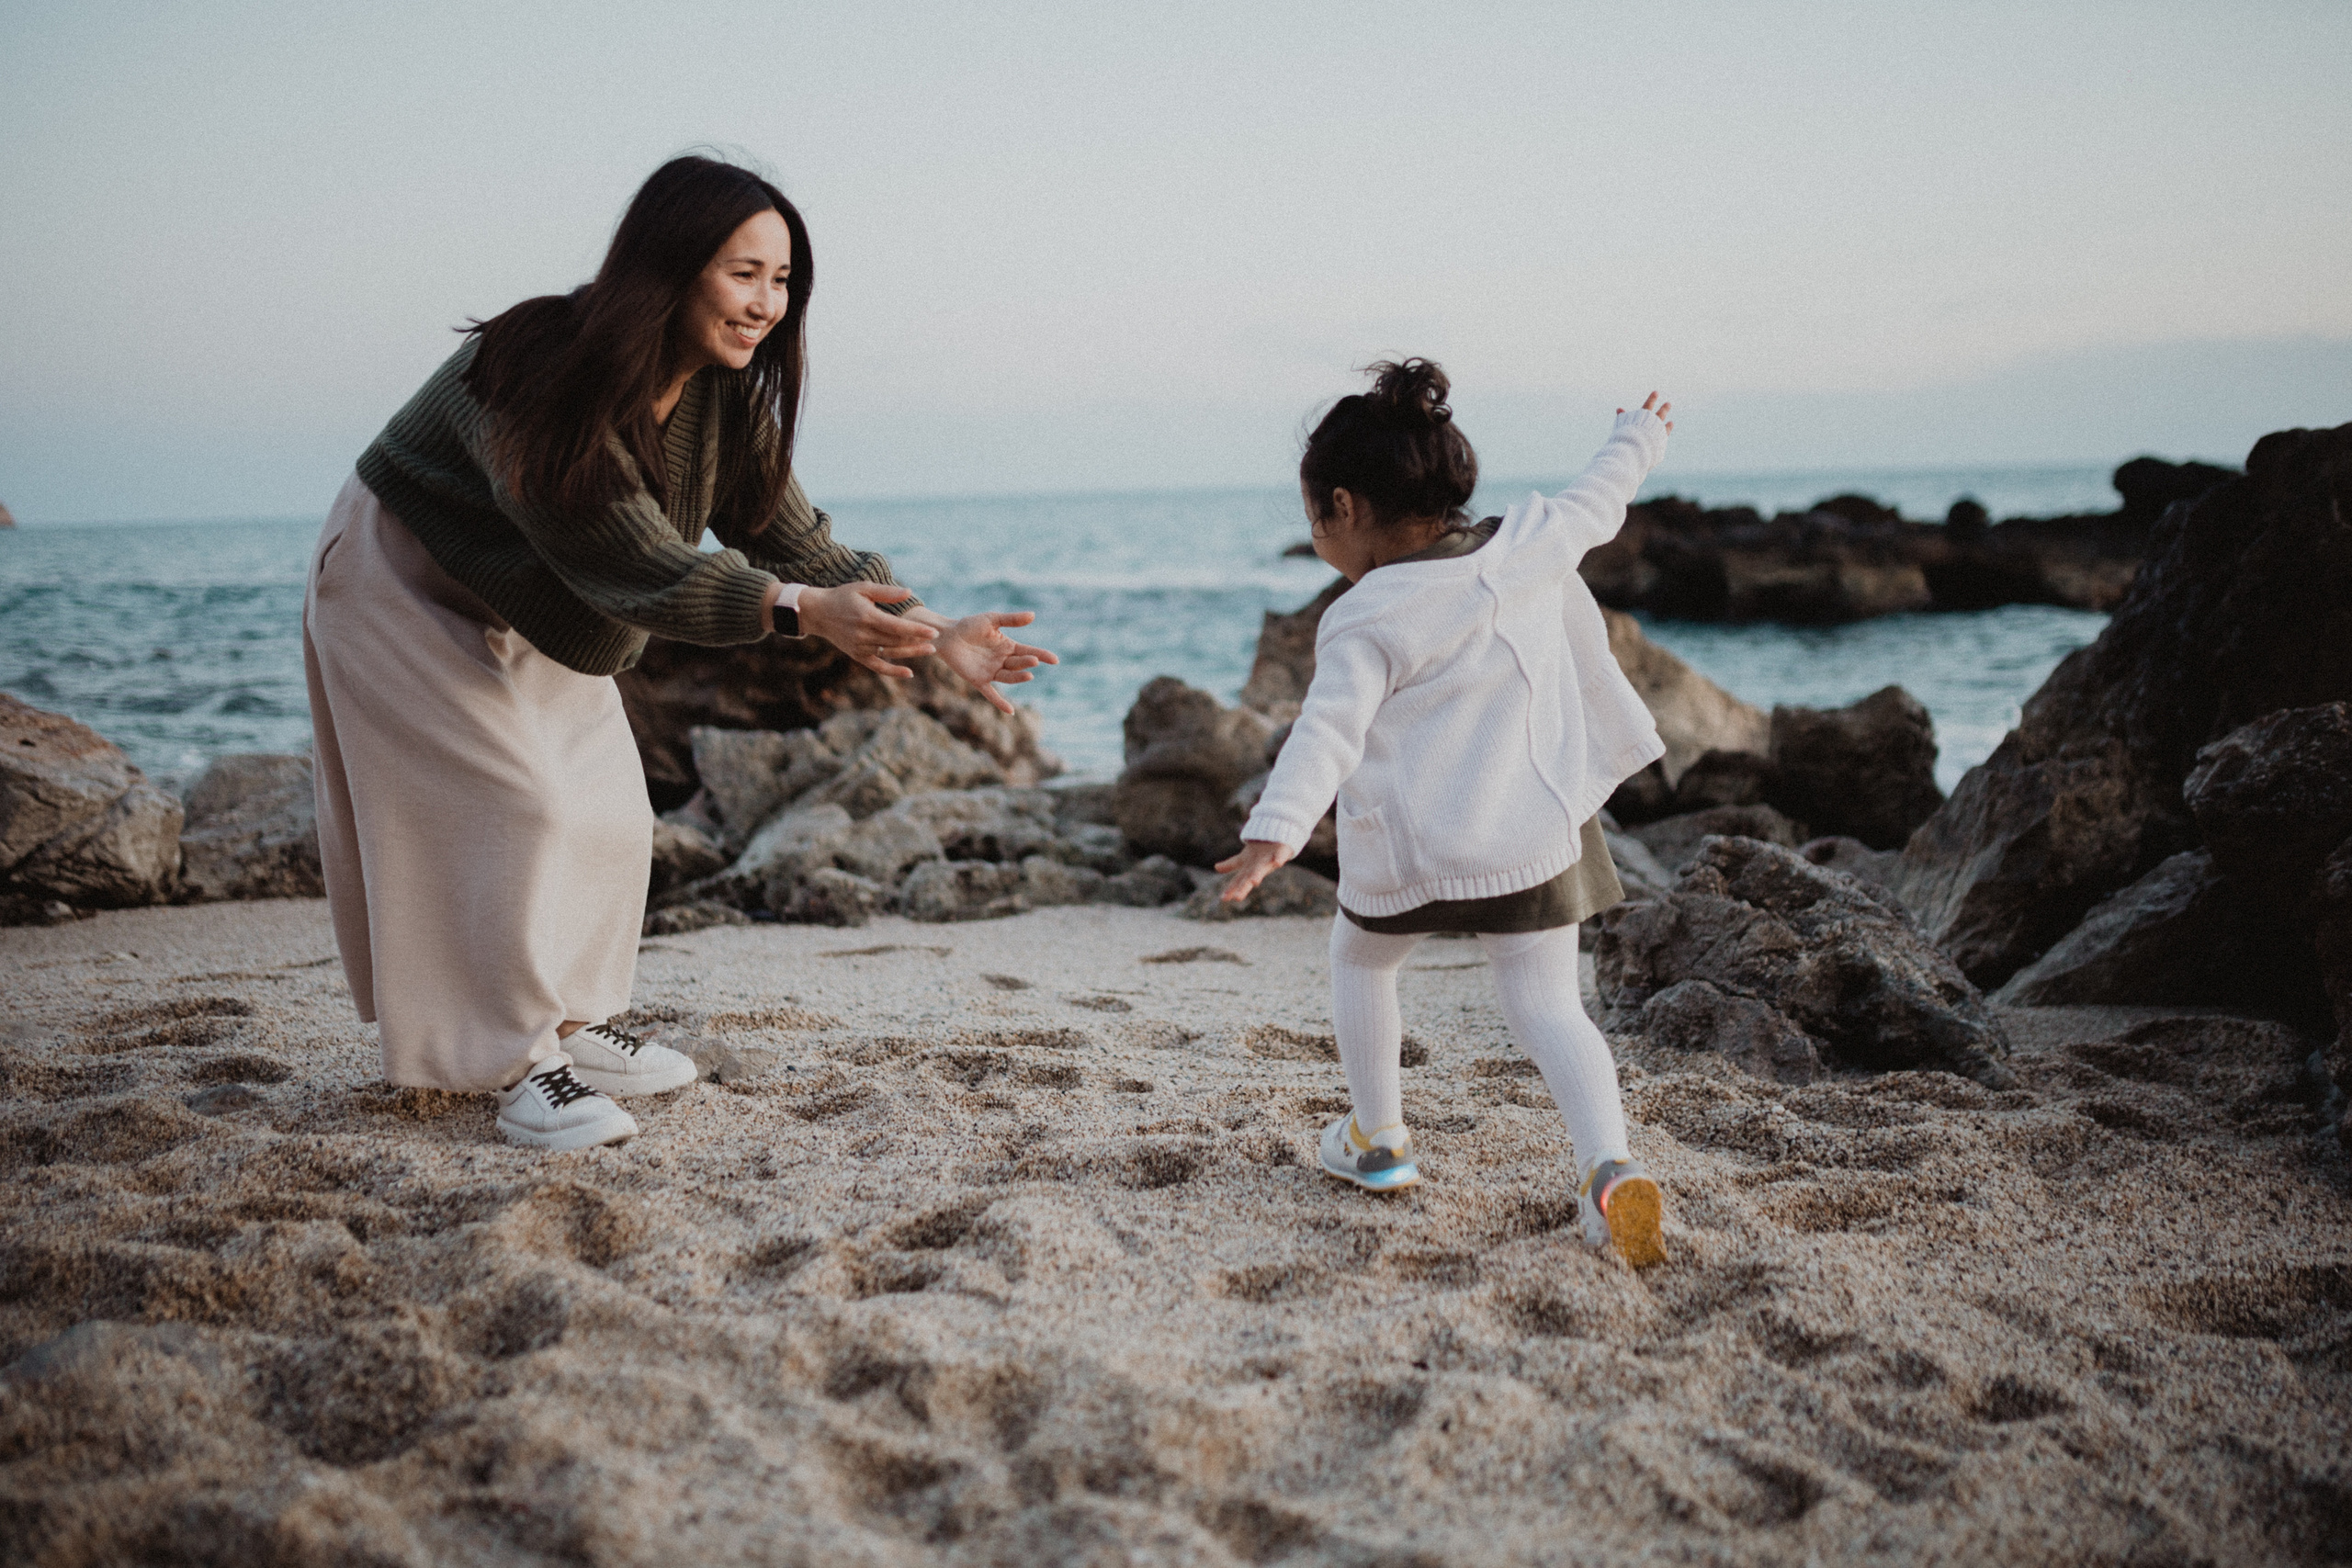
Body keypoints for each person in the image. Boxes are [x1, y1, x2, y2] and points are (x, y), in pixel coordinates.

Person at [303, 155, 1053, 1152]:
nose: (766, 305)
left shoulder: (722, 395)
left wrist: (936, 630)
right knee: (513, 807)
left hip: (534, 594)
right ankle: (520, 1067)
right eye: (744, 273)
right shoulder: (538, 368)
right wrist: (795, 611)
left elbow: (800, 541)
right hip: (401, 577)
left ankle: (571, 1022)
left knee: (611, 808)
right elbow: (633, 560)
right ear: (671, 263)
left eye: (782, 282)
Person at [1216, 360, 1673, 1267]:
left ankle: (1379, 1138)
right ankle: (1608, 1171)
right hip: (1534, 838)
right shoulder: (1530, 541)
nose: (1315, 537)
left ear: (1342, 508)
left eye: (1312, 519)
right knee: (1546, 1004)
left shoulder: (1362, 618)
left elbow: (1325, 735)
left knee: (1360, 957)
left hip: (1413, 854)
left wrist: (1277, 828)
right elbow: (1602, 496)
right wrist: (1639, 434)